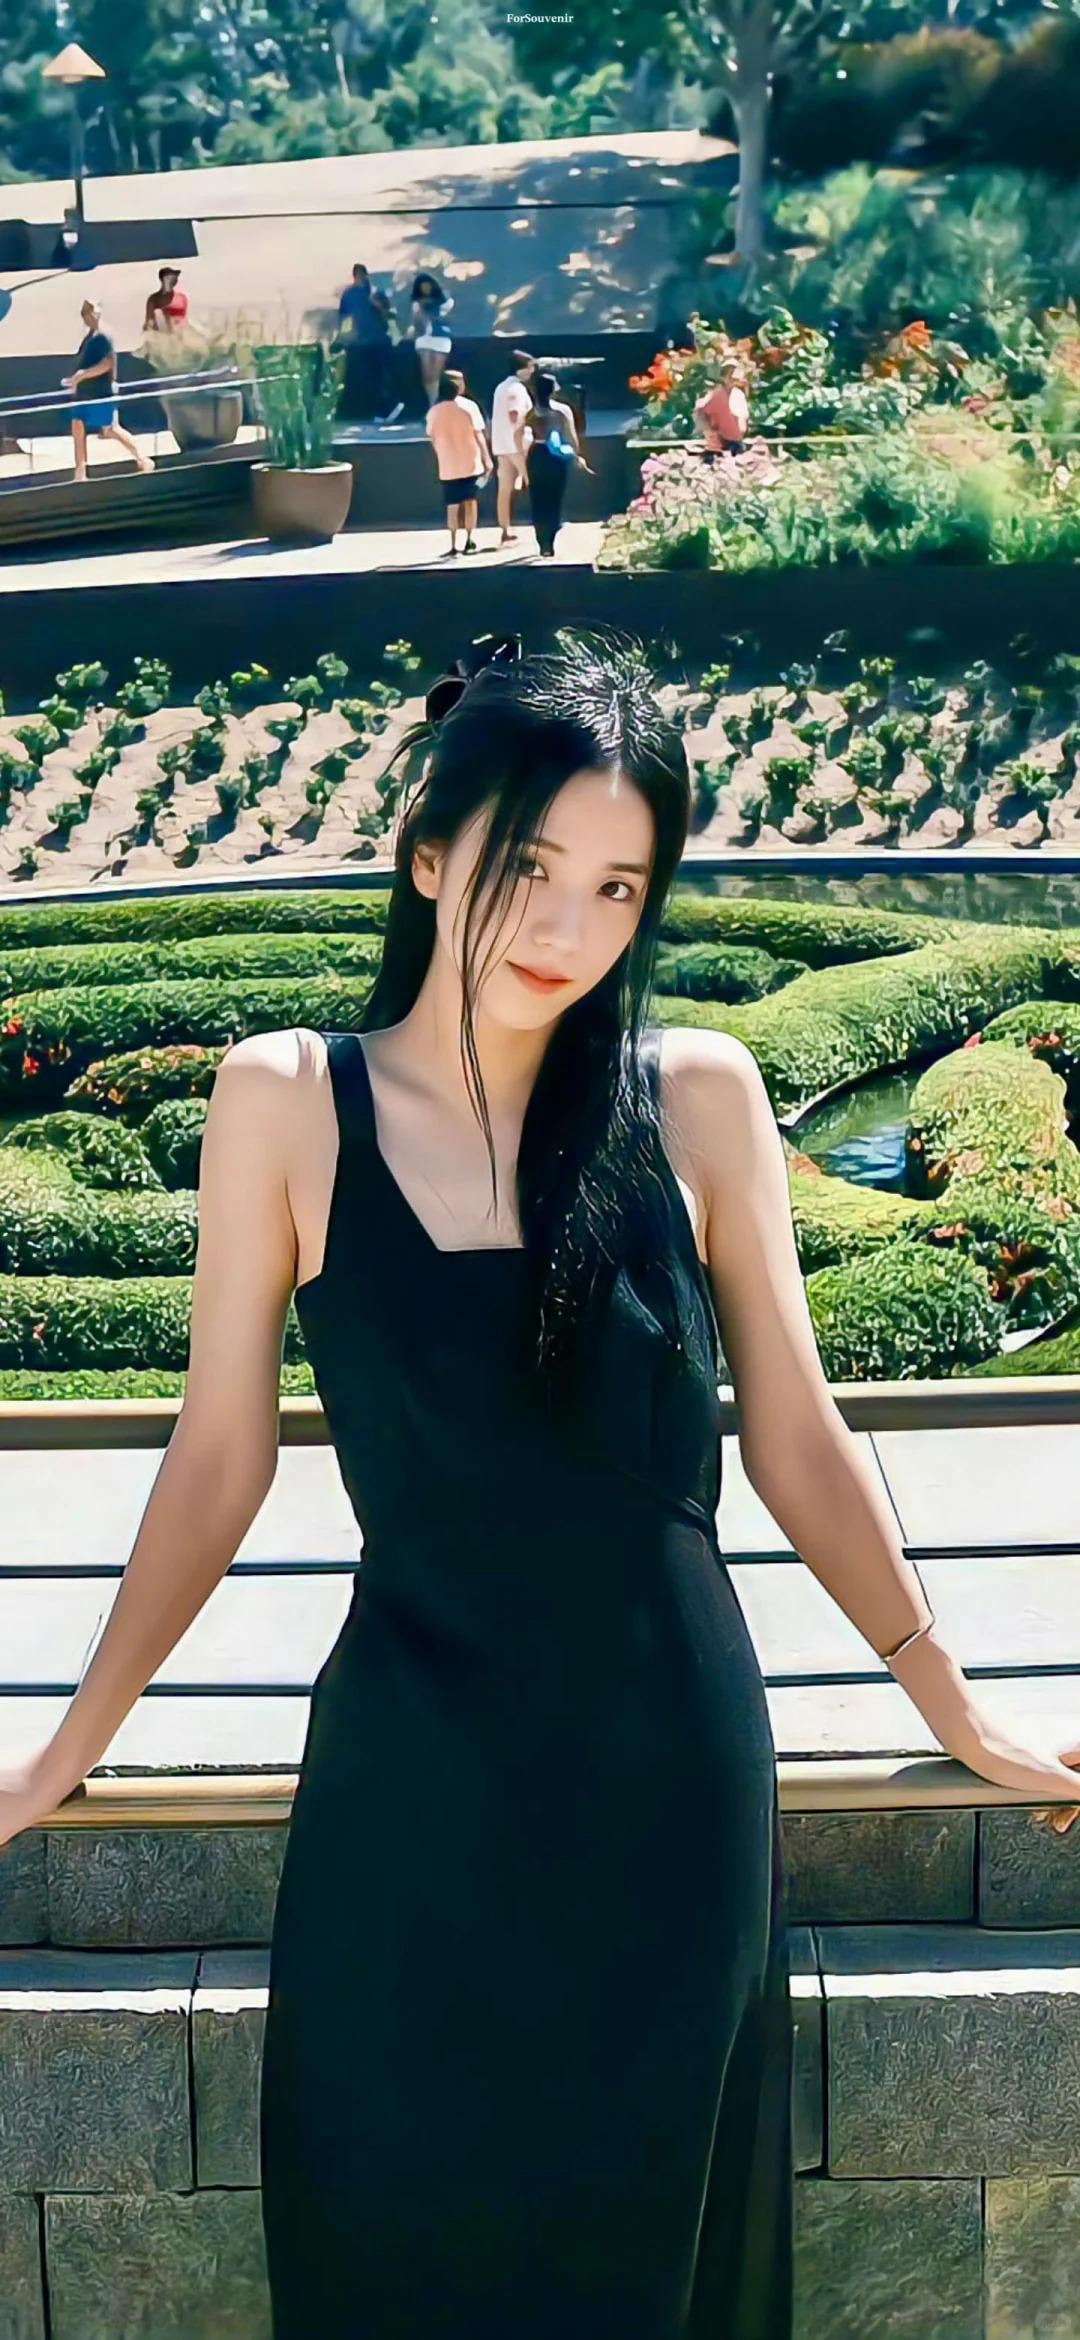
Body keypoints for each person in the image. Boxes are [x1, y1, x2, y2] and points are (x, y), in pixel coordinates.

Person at [2, 626, 1080, 2336]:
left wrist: (951, 1699)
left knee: (644, 2275)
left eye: (618, 888)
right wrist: (67, 1743)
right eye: (531, 869)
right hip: (413, 1793)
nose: (568, 929)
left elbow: (796, 1436)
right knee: (387, 2248)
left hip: (667, 1793)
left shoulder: (700, 1096)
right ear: (433, 853)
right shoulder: (285, 1101)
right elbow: (219, 1457)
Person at [61, 298, 155, 484]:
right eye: (87, 314)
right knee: (77, 426)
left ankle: (143, 459)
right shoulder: (90, 338)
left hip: (101, 392)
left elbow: (107, 364)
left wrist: (81, 376)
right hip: (85, 393)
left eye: (92, 313)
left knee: (111, 429)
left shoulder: (103, 337)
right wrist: (75, 380)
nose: (90, 317)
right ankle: (80, 472)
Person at [512, 368, 592, 559]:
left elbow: (517, 434)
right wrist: (576, 454)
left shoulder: (531, 411)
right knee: (554, 498)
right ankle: (551, 538)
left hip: (536, 454)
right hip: (555, 456)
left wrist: (521, 456)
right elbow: (571, 436)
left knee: (537, 499)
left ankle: (541, 540)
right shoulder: (562, 410)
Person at [425, 368, 491, 558]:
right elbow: (479, 435)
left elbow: (431, 436)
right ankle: (470, 540)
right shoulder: (469, 407)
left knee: (452, 506)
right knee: (470, 503)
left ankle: (453, 543)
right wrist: (487, 460)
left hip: (448, 466)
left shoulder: (434, 411)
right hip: (471, 463)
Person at [335, 264, 403, 425]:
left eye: (362, 275)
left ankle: (390, 406)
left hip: (379, 339)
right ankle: (381, 410)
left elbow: (391, 315)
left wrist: (378, 306)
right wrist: (343, 337)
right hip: (361, 341)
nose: (360, 278)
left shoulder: (376, 292)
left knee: (382, 376)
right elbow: (346, 318)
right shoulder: (349, 294)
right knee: (372, 378)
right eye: (358, 276)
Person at [490, 348, 536, 546]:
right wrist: (521, 437)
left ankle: (505, 529)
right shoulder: (516, 389)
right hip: (517, 445)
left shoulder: (501, 387)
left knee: (504, 488)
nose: (532, 371)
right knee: (533, 483)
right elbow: (514, 414)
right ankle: (541, 524)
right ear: (520, 369)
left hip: (502, 444)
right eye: (529, 367)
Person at [409, 269, 455, 405]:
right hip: (424, 340)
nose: (425, 289)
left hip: (441, 338)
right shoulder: (417, 303)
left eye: (427, 285)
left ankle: (437, 403)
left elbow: (448, 318)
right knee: (427, 376)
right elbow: (417, 323)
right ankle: (432, 403)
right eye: (422, 286)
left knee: (436, 375)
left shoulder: (445, 300)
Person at [694, 356, 750, 460]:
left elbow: (742, 427)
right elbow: (700, 417)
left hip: (733, 446)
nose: (730, 376)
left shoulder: (738, 395)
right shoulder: (712, 394)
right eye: (727, 372)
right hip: (714, 445)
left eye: (732, 372)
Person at [143, 266, 189, 334]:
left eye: (174, 278)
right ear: (162, 279)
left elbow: (184, 320)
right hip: (162, 335)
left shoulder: (181, 298)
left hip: (180, 335)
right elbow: (149, 322)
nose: (173, 280)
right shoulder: (154, 299)